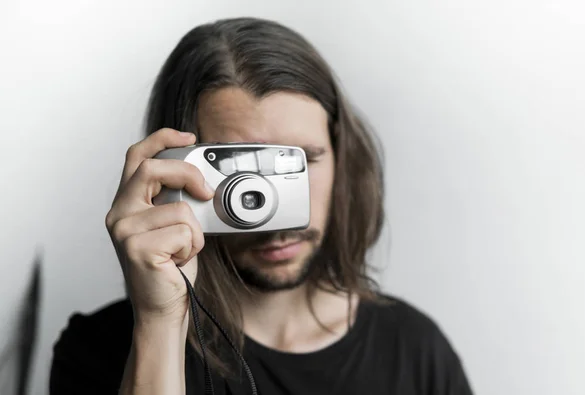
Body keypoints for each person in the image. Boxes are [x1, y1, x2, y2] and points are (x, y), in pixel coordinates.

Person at [49, 17, 473, 395]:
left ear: (343, 157)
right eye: (237, 173)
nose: (268, 212)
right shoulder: (99, 350)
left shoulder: (416, 350)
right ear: (173, 171)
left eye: (301, 160)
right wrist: (160, 322)